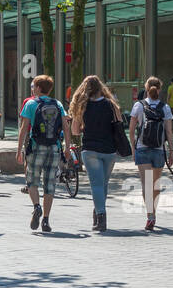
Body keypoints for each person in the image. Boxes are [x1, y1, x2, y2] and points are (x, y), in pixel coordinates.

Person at [15, 75, 69, 233]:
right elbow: (65, 126)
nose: (33, 89)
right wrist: (67, 147)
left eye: (34, 87)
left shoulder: (31, 104)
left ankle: (36, 206)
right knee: (49, 183)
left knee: (32, 180)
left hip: (36, 146)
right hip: (54, 147)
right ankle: (46, 220)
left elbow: (24, 128)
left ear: (38, 88)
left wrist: (19, 150)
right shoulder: (57, 104)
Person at [69, 75, 124, 232]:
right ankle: (98, 211)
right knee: (103, 184)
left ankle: (101, 217)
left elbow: (74, 131)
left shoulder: (83, 106)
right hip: (109, 150)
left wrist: (85, 127)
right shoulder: (111, 105)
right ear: (101, 88)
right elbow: (119, 124)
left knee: (97, 185)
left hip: (90, 149)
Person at [129, 76, 173, 231]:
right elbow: (169, 131)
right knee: (155, 184)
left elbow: (132, 129)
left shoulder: (138, 105)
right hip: (158, 150)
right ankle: (153, 213)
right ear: (159, 89)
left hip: (142, 148)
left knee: (146, 184)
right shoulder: (165, 107)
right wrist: (171, 152)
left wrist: (133, 148)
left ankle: (150, 216)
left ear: (146, 88)